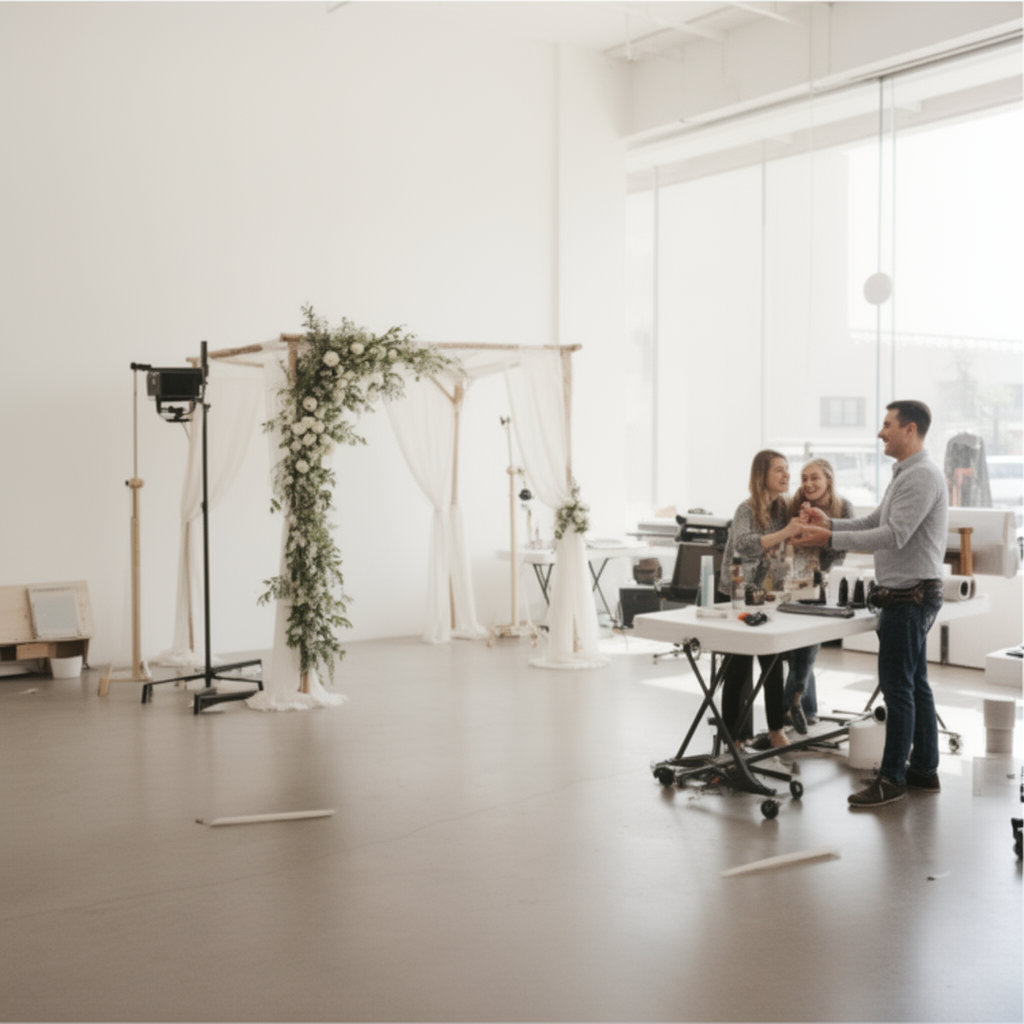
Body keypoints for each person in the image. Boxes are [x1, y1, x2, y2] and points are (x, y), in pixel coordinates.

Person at [793, 400, 948, 808]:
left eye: (887, 425)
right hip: (909, 594)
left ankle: (892, 777)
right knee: (914, 684)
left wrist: (827, 539)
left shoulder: (921, 477)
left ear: (910, 430)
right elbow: (871, 523)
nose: (881, 433)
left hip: (908, 597)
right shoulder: (907, 475)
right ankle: (924, 771)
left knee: (898, 689)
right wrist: (828, 524)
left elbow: (893, 535)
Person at [717, 450, 802, 750]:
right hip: (736, 595)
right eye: (779, 470)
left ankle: (776, 729)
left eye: (787, 470)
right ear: (761, 475)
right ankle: (734, 738)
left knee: (773, 663)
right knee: (738, 669)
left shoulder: (782, 510)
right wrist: (785, 533)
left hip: (765, 596)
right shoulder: (746, 509)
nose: (786, 475)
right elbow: (743, 545)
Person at [783, 459, 855, 735]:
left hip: (823, 583)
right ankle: (804, 708)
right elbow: (786, 542)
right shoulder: (793, 506)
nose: (808, 484)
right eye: (803, 479)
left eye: (814, 478)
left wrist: (818, 537)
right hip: (792, 581)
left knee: (808, 642)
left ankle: (793, 702)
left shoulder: (843, 507)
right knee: (795, 648)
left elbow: (840, 551)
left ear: (828, 480)